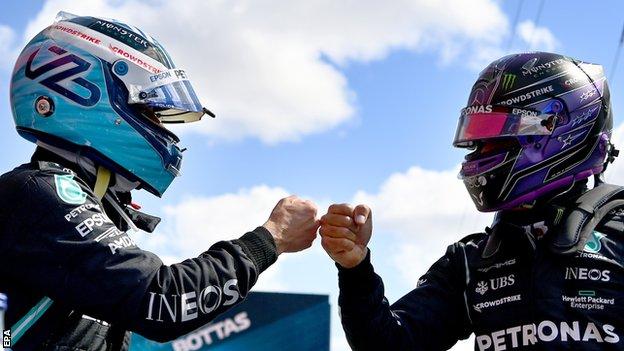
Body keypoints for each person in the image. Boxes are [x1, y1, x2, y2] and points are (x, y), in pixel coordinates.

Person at [0, 12, 319, 350]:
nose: (162, 130)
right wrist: (271, 239)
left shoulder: (62, 197)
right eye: (149, 111)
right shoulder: (39, 193)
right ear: (83, 93)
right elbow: (163, 300)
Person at [320, 52, 624, 350]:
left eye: (495, 138)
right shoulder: (470, 260)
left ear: (552, 132)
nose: (479, 154)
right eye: (478, 141)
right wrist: (356, 269)